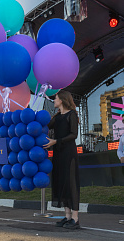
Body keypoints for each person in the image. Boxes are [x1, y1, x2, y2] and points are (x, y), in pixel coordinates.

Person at [44, 90, 80, 230]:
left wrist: (56, 141)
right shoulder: (57, 117)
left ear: (63, 100)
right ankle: (67, 216)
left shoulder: (72, 115)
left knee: (71, 183)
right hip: (58, 153)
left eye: (56, 98)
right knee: (61, 182)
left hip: (69, 153)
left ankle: (75, 219)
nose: (54, 100)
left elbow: (73, 135)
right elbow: (45, 125)